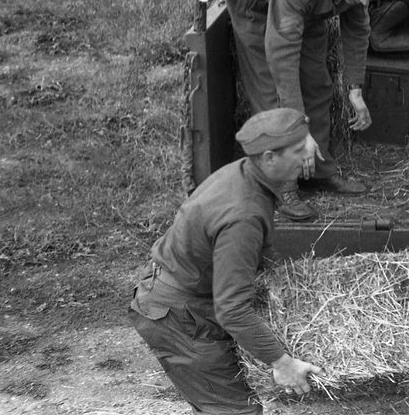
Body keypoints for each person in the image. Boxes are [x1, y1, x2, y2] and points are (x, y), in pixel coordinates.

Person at [128, 108, 324, 414]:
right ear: (270, 158)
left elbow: (255, 254)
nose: (309, 154)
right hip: (179, 317)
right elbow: (232, 310)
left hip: (182, 295)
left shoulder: (244, 173)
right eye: (299, 150)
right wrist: (282, 363)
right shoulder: (242, 215)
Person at [225, 0, 388, 220]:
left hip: (307, 5)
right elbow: (282, 61)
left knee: (317, 83)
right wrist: (299, 131)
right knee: (270, 93)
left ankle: (317, 172)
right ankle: (282, 186)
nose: (366, 2)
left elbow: (357, 29)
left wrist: (354, 89)